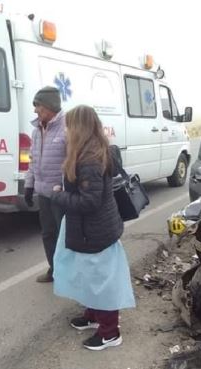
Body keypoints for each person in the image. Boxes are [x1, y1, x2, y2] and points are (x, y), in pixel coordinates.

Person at [50, 105, 135, 351]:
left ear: (79, 128)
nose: (65, 130)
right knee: (87, 275)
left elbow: (89, 201)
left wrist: (58, 196)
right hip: (89, 229)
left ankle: (110, 332)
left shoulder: (90, 158)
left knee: (101, 280)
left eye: (69, 125)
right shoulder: (88, 151)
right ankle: (93, 315)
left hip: (95, 231)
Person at [24, 86, 66, 282]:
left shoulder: (68, 127)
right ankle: (55, 270)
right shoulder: (36, 130)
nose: (35, 111)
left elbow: (74, 162)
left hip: (61, 195)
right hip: (43, 193)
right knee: (48, 234)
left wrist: (68, 189)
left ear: (49, 107)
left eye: (37, 106)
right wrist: (28, 185)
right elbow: (32, 159)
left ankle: (70, 273)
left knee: (65, 236)